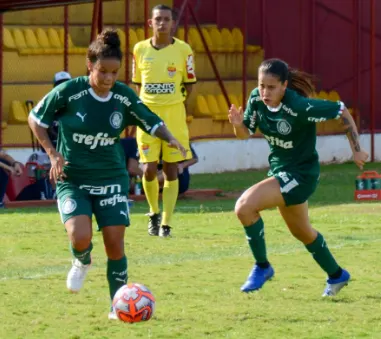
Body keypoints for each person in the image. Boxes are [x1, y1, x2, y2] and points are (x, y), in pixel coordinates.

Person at [28, 28, 186, 319]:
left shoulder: (123, 97)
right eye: (103, 72)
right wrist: (53, 153)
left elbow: (150, 119)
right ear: (90, 65)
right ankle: (82, 260)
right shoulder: (69, 92)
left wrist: (169, 137)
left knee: (115, 243)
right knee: (80, 237)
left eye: (114, 73)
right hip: (72, 178)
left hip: (111, 177)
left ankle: (119, 305)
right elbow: (35, 119)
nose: (109, 80)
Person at [228, 58, 369, 296]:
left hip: (301, 175)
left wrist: (356, 148)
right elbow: (244, 135)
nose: (265, 92)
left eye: (271, 87)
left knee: (244, 207)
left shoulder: (299, 107)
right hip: (280, 171)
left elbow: (340, 110)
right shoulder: (256, 99)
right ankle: (337, 275)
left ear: (284, 85)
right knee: (303, 233)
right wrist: (238, 125)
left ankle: (262, 267)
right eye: (262, 85)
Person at [132, 4, 197, 237]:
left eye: (166, 19)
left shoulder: (184, 50)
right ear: (150, 23)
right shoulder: (139, 49)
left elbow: (190, 85)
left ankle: (167, 223)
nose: (162, 23)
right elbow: (137, 85)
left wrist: (174, 104)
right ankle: (153, 213)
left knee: (171, 171)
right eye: (157, 19)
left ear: (173, 23)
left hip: (174, 116)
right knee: (148, 169)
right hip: (148, 116)